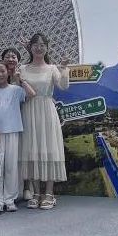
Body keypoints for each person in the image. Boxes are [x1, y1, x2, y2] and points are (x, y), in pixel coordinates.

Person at [19, 33, 70, 210]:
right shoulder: (22, 68)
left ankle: (49, 193)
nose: (39, 48)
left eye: (42, 45)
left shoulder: (52, 68)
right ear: (30, 47)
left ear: (47, 48)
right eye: (36, 44)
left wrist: (64, 69)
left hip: (47, 111)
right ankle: (35, 193)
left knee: (49, 149)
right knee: (31, 149)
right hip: (29, 110)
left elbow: (63, 85)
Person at [0, 60, 35, 212]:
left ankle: (10, 199)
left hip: (13, 133)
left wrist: (20, 80)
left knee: (11, 167)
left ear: (8, 72)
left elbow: (31, 94)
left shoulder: (16, 90)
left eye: (3, 71)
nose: (0, 74)